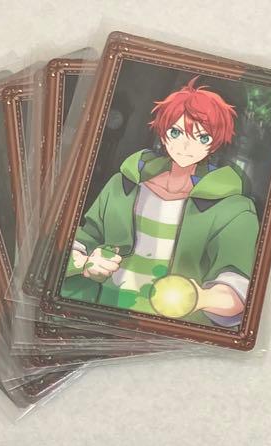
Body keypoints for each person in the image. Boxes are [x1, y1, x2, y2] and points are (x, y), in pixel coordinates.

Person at [62, 77, 258, 326]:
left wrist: (199, 297)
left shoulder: (234, 209)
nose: (185, 145)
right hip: (102, 312)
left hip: (171, 328)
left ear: (216, 142)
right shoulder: (122, 185)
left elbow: (237, 285)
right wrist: (86, 263)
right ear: (163, 131)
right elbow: (83, 239)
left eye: (202, 137)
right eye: (176, 132)